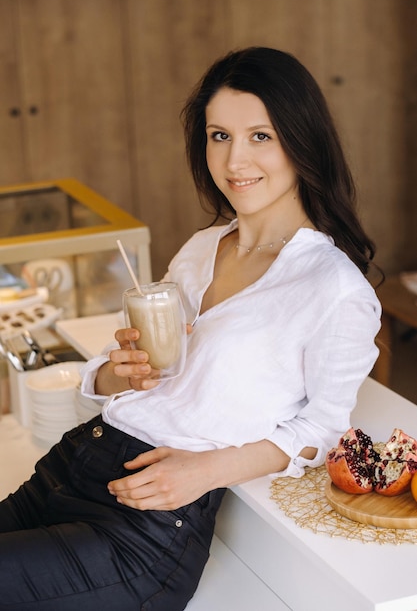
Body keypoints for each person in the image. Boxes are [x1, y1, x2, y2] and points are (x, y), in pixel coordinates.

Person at [0, 46, 381, 610]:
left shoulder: (334, 286)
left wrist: (208, 470)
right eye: (218, 135)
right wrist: (114, 373)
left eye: (260, 136)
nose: (233, 161)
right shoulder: (202, 248)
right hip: (71, 469)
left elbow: (325, 428)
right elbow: (127, 372)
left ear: (301, 142)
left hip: (146, 527)